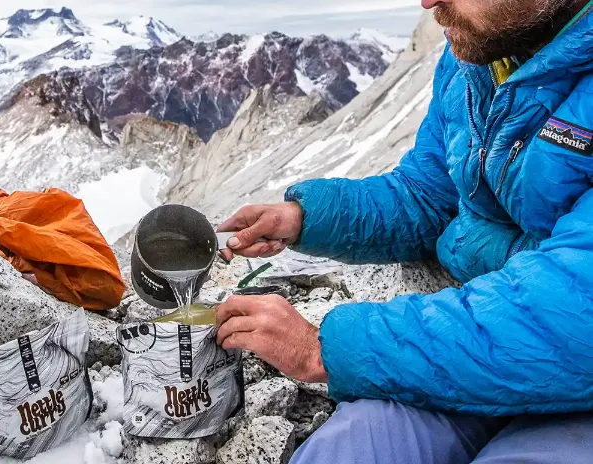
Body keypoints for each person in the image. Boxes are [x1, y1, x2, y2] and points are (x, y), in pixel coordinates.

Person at [216, 0, 593, 462]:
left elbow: (576, 311)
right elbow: (428, 194)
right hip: (473, 338)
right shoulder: (481, 56)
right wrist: (303, 217)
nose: (428, 1)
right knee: (347, 454)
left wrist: (322, 348)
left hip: (567, 356)